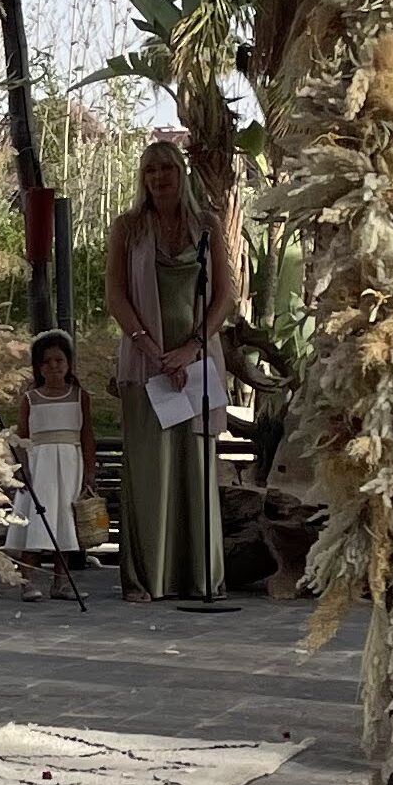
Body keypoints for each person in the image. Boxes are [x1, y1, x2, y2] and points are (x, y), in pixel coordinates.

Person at [103, 140, 235, 603]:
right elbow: (115, 295)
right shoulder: (128, 227)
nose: (159, 177)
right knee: (150, 470)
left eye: (167, 168)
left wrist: (191, 349)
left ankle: (200, 577)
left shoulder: (207, 226)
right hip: (147, 364)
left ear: (181, 173)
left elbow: (224, 296)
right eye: (150, 170)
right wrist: (153, 350)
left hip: (196, 365)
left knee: (194, 467)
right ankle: (148, 578)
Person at [6, 332, 95, 602]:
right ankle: (27, 580)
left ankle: (61, 582)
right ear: (38, 367)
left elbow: (87, 436)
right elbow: (21, 436)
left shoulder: (79, 397)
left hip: (69, 464)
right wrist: (20, 468)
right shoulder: (30, 399)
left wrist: (90, 472)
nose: (53, 366)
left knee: (63, 521)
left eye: (59, 360)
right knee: (36, 520)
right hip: (39, 465)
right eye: (46, 362)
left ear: (69, 363)